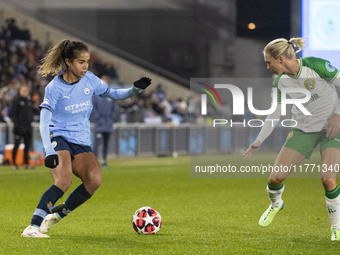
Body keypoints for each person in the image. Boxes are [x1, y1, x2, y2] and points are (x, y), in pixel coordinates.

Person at [21, 39, 151, 238]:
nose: (85, 66)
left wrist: (135, 90)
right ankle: (32, 227)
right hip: (60, 136)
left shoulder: (90, 79)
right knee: (63, 181)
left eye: (87, 61)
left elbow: (113, 94)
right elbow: (44, 121)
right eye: (81, 62)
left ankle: (55, 217)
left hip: (81, 140)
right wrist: (48, 150)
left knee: (94, 180)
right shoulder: (54, 88)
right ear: (68, 62)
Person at [243, 37, 340, 241]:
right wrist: (258, 141)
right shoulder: (280, 82)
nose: (268, 67)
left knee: (328, 178)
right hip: (304, 130)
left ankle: (336, 228)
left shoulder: (315, 65)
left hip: (332, 128)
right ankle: (276, 204)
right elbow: (274, 114)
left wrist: (338, 115)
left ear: (280, 59)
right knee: (274, 179)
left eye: (269, 62)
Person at [92, 75, 118, 168]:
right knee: (96, 143)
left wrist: (111, 118)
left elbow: (114, 109)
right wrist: (98, 117)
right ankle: (94, 162)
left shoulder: (111, 95)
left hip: (108, 124)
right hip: (99, 124)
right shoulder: (95, 95)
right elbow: (93, 108)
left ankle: (104, 160)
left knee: (106, 143)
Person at [11, 85, 33, 170]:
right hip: (19, 127)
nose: (25, 92)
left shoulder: (28, 100)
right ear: (19, 91)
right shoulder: (16, 100)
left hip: (28, 127)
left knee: (27, 145)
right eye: (23, 90)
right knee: (16, 145)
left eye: (26, 90)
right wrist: (16, 125)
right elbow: (14, 113)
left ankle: (26, 163)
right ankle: (14, 163)